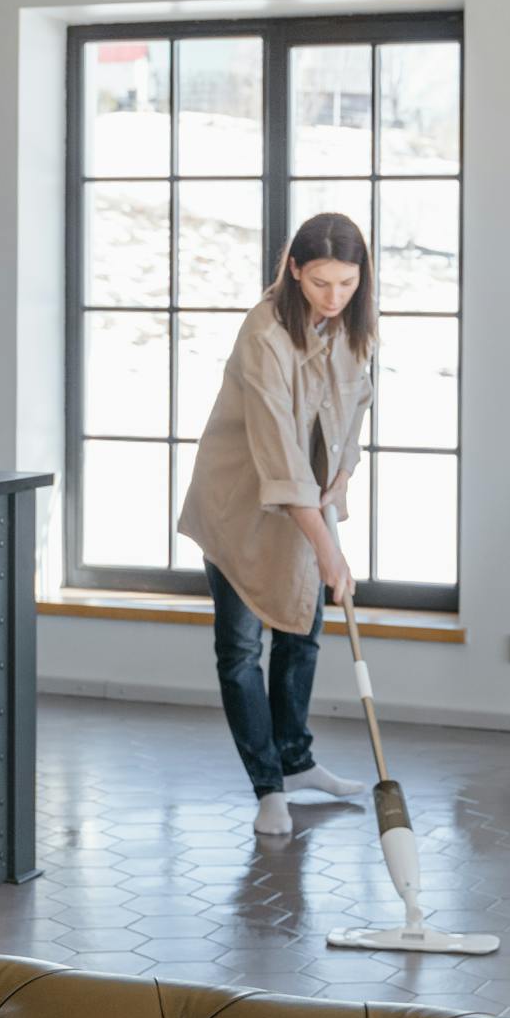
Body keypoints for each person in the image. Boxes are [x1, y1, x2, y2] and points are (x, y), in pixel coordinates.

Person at [177, 211, 376, 836]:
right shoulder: (264, 333)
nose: (334, 297)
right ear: (294, 269)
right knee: (240, 649)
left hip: (306, 502)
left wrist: (340, 482)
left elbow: (353, 410)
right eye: (321, 283)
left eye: (346, 283)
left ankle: (297, 761)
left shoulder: (352, 325)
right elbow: (280, 453)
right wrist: (326, 546)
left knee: (302, 634)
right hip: (241, 502)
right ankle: (268, 786)